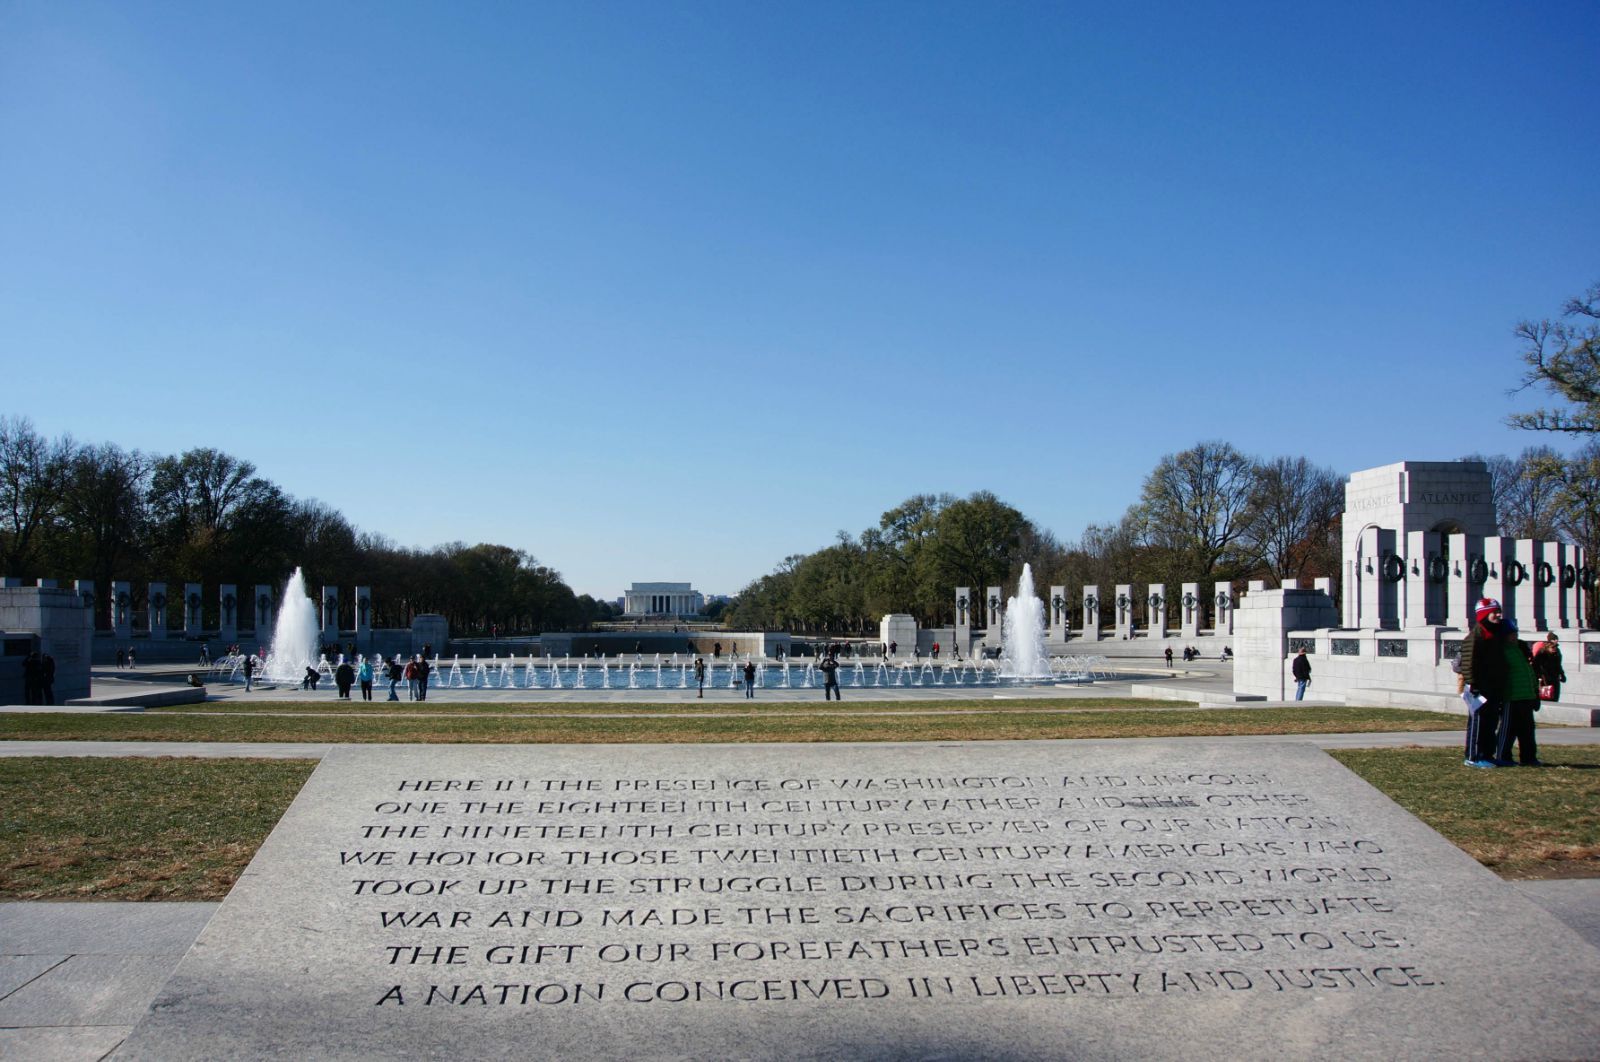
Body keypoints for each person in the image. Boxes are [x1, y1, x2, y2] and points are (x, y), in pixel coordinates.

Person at [1458, 598, 1508, 768]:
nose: (1498, 615)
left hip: (1493, 686)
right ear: (1485, 615)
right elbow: (1468, 662)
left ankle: (1488, 754)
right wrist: (1473, 684)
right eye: (1494, 612)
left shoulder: (1496, 634)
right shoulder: (1476, 636)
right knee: (1478, 723)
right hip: (1479, 687)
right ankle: (1473, 756)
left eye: (1499, 611)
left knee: (1491, 722)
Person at [1497, 619, 1541, 766]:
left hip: (1526, 696)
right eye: (1510, 634)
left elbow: (1530, 673)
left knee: (1528, 730)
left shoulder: (1520, 650)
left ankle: (1529, 757)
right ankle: (1503, 756)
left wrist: (1535, 693)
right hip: (1511, 697)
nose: (1514, 636)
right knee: (1508, 729)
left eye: (1515, 633)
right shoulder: (1502, 651)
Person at [1533, 633, 1567, 703]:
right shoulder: (1542, 653)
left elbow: (1558, 665)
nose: (1555, 648)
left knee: (1555, 697)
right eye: (1553, 647)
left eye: (1556, 647)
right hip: (1545, 679)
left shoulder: (1557, 652)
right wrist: (1540, 677)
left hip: (1555, 678)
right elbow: (1536, 666)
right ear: (1548, 646)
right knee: (1546, 696)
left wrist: (1562, 675)